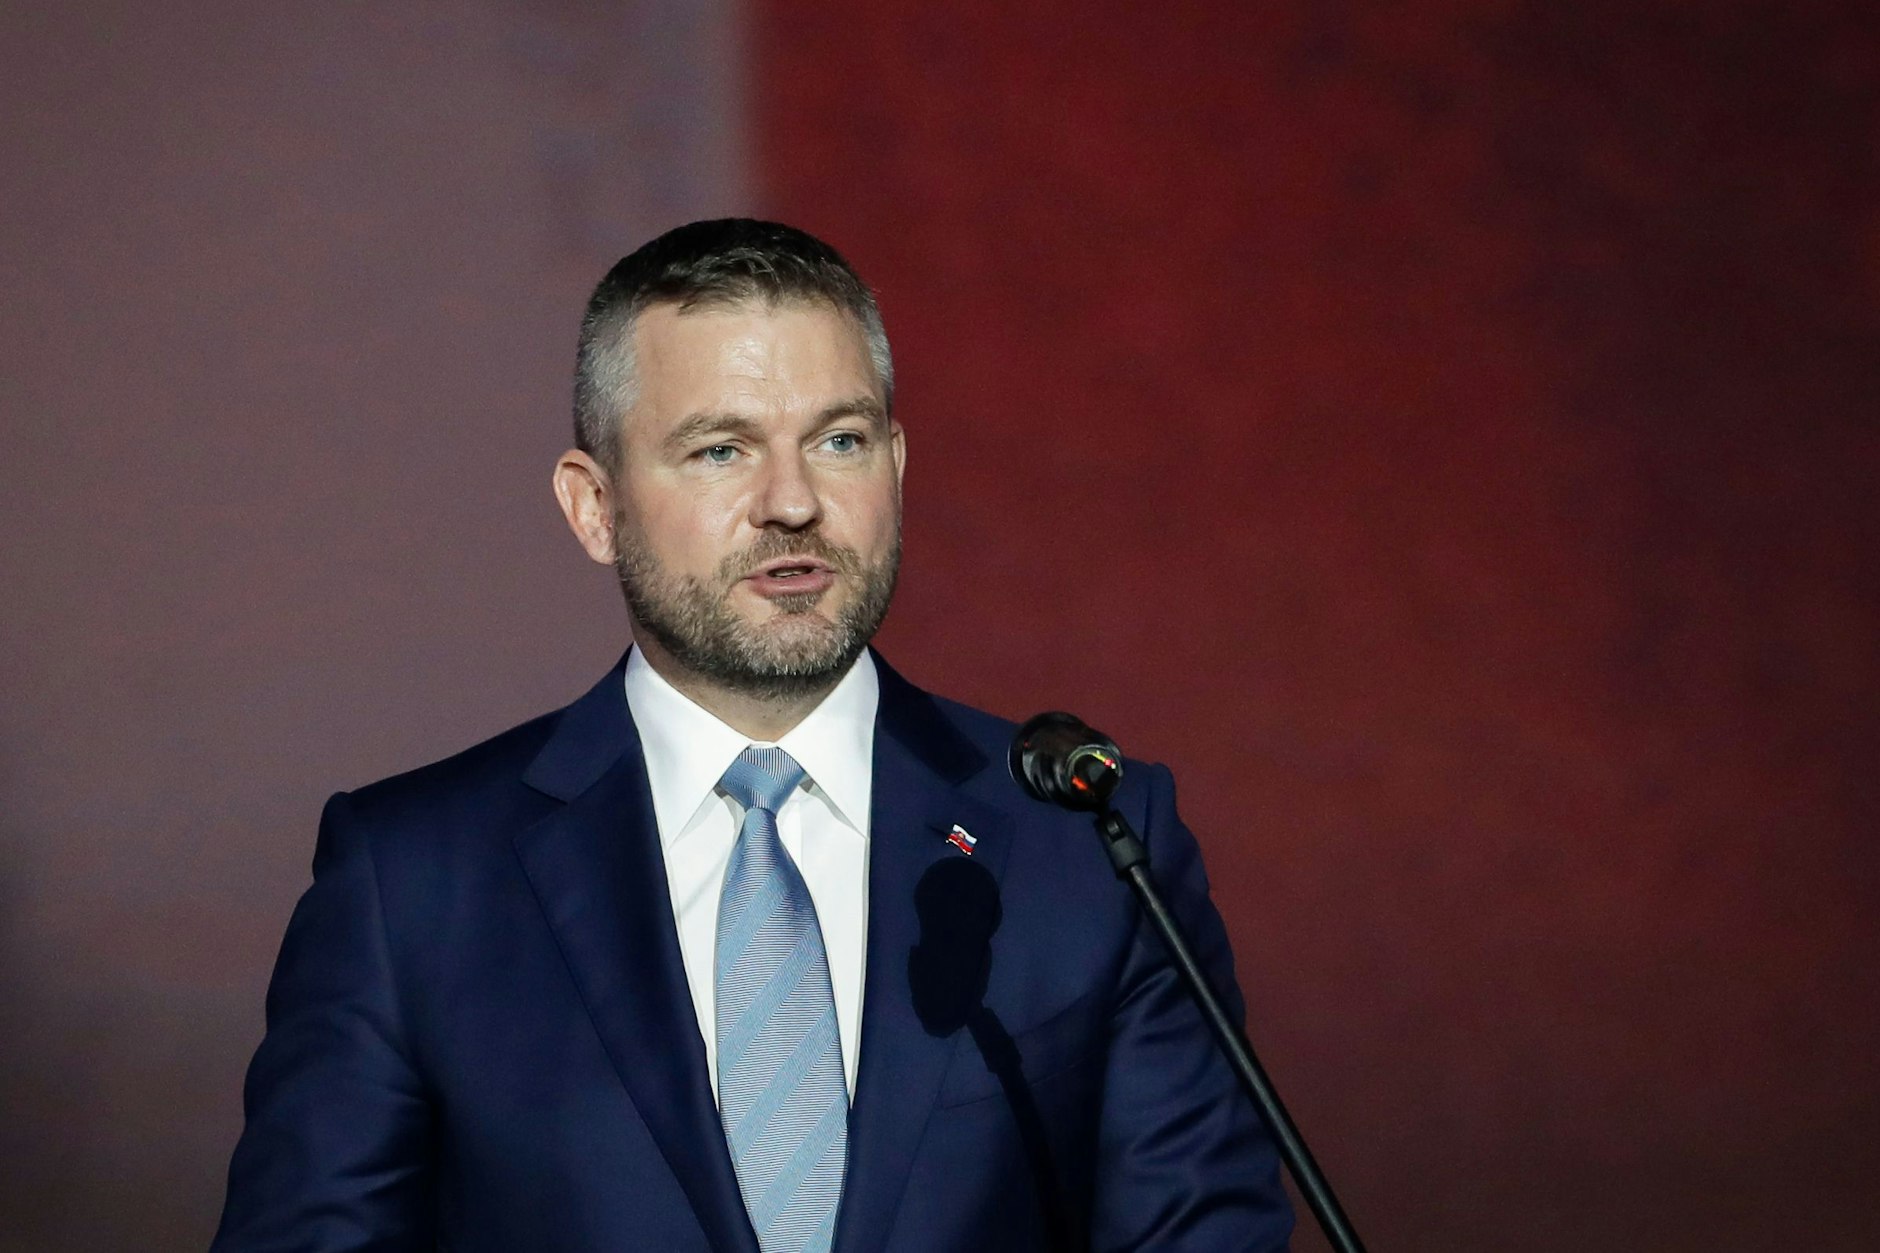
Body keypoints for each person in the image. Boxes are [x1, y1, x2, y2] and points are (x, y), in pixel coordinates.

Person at [212, 219, 1294, 1252]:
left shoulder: (1088, 844)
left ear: (896, 466)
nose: (792, 502)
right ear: (594, 507)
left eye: (839, 440)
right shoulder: (411, 880)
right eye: (721, 448)